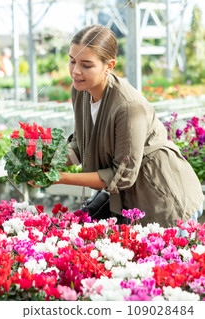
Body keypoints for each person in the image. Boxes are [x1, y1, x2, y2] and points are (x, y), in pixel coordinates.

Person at [33, 25, 203, 228]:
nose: (76, 71)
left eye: (86, 65)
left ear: (109, 66)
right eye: (72, 60)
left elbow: (120, 176)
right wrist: (46, 164)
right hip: (129, 201)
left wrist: (58, 177)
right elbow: (81, 146)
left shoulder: (128, 107)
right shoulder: (81, 91)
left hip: (162, 197)